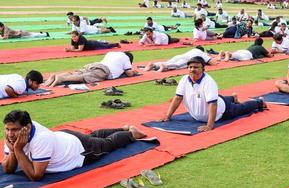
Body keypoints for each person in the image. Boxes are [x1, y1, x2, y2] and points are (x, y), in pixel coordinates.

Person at [1, 110, 147, 181]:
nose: (9, 134)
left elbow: (36, 176)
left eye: (14, 129)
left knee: (107, 144)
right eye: (7, 129)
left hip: (79, 150)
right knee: (92, 137)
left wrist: (18, 149)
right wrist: (14, 150)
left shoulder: (41, 138)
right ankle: (123, 128)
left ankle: (131, 133)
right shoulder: (15, 135)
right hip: (64, 138)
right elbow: (8, 168)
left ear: (26, 127)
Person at [159, 56, 267, 131]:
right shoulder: (184, 79)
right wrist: (168, 116)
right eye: (190, 67)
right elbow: (178, 98)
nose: (192, 70)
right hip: (207, 104)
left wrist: (210, 125)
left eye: (196, 67)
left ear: (203, 69)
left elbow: (213, 104)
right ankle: (232, 98)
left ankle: (259, 102)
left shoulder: (208, 82)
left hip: (222, 110)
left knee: (242, 108)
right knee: (214, 97)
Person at [44, 51, 137, 87]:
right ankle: (61, 78)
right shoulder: (126, 58)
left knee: (78, 73)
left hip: (95, 64)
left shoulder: (112, 53)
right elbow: (129, 73)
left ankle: (57, 76)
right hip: (104, 70)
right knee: (83, 77)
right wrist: (133, 71)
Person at [144, 45, 217, 72]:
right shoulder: (202, 53)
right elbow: (212, 63)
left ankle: (154, 65)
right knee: (177, 65)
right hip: (188, 60)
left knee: (168, 62)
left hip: (179, 56)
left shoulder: (193, 50)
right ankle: (165, 67)